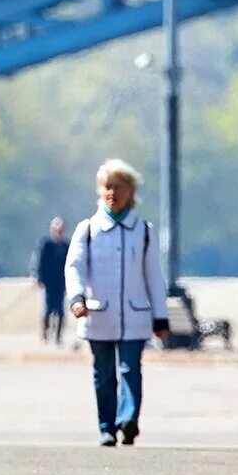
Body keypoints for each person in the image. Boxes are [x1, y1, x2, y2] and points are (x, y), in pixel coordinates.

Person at [65, 159, 169, 447]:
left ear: (130, 191)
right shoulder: (88, 229)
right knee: (104, 374)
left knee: (130, 369)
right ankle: (106, 427)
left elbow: (154, 277)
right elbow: (74, 267)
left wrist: (160, 318)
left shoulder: (143, 230)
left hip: (135, 316)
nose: (112, 193)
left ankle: (129, 418)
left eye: (118, 187)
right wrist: (77, 298)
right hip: (98, 314)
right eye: (107, 187)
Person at [33, 217, 69, 345]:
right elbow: (40, 262)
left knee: (60, 311)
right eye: (56, 230)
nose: (59, 232)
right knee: (48, 308)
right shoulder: (46, 244)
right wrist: (39, 277)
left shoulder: (66, 245)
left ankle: (58, 336)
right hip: (49, 282)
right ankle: (45, 331)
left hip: (61, 282)